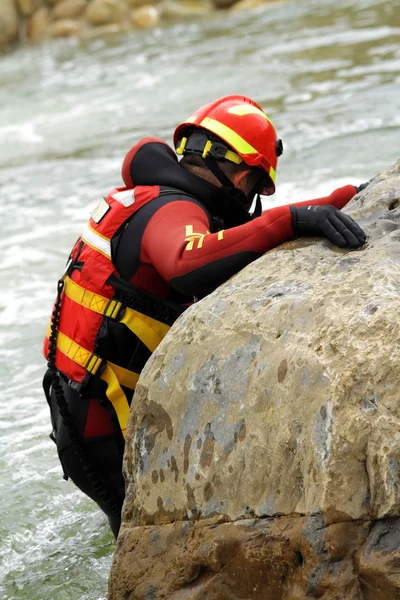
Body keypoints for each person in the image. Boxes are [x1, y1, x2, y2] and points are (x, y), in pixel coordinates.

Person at [42, 94, 367, 537]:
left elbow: (229, 238)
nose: (252, 200)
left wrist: (339, 199)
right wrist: (290, 221)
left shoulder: (151, 196)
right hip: (102, 425)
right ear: (238, 173)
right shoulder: (173, 210)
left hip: (82, 413)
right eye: (255, 187)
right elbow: (186, 262)